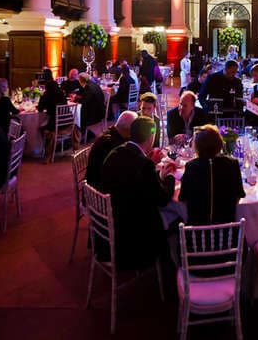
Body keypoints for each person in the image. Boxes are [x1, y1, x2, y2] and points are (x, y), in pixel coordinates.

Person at [98, 116, 176, 270]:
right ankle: (169, 265)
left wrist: (158, 176)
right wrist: (171, 177)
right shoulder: (144, 163)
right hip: (134, 230)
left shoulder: (115, 152)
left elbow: (137, 181)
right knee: (175, 219)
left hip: (113, 219)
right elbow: (162, 199)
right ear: (150, 137)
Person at [179, 125, 245, 225]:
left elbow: (183, 198)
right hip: (228, 231)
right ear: (219, 143)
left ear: (197, 146)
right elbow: (238, 195)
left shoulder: (191, 166)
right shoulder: (232, 164)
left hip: (196, 231)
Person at [86, 111, 137, 188]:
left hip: (95, 182)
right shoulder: (113, 144)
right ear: (129, 130)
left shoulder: (112, 133)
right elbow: (123, 171)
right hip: (99, 191)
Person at [75, 73, 106, 139]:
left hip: (95, 115)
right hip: (101, 110)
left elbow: (85, 101)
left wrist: (76, 100)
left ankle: (81, 134)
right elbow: (89, 98)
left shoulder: (88, 87)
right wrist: (78, 97)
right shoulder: (94, 84)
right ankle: (83, 133)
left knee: (78, 114)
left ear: (80, 81)